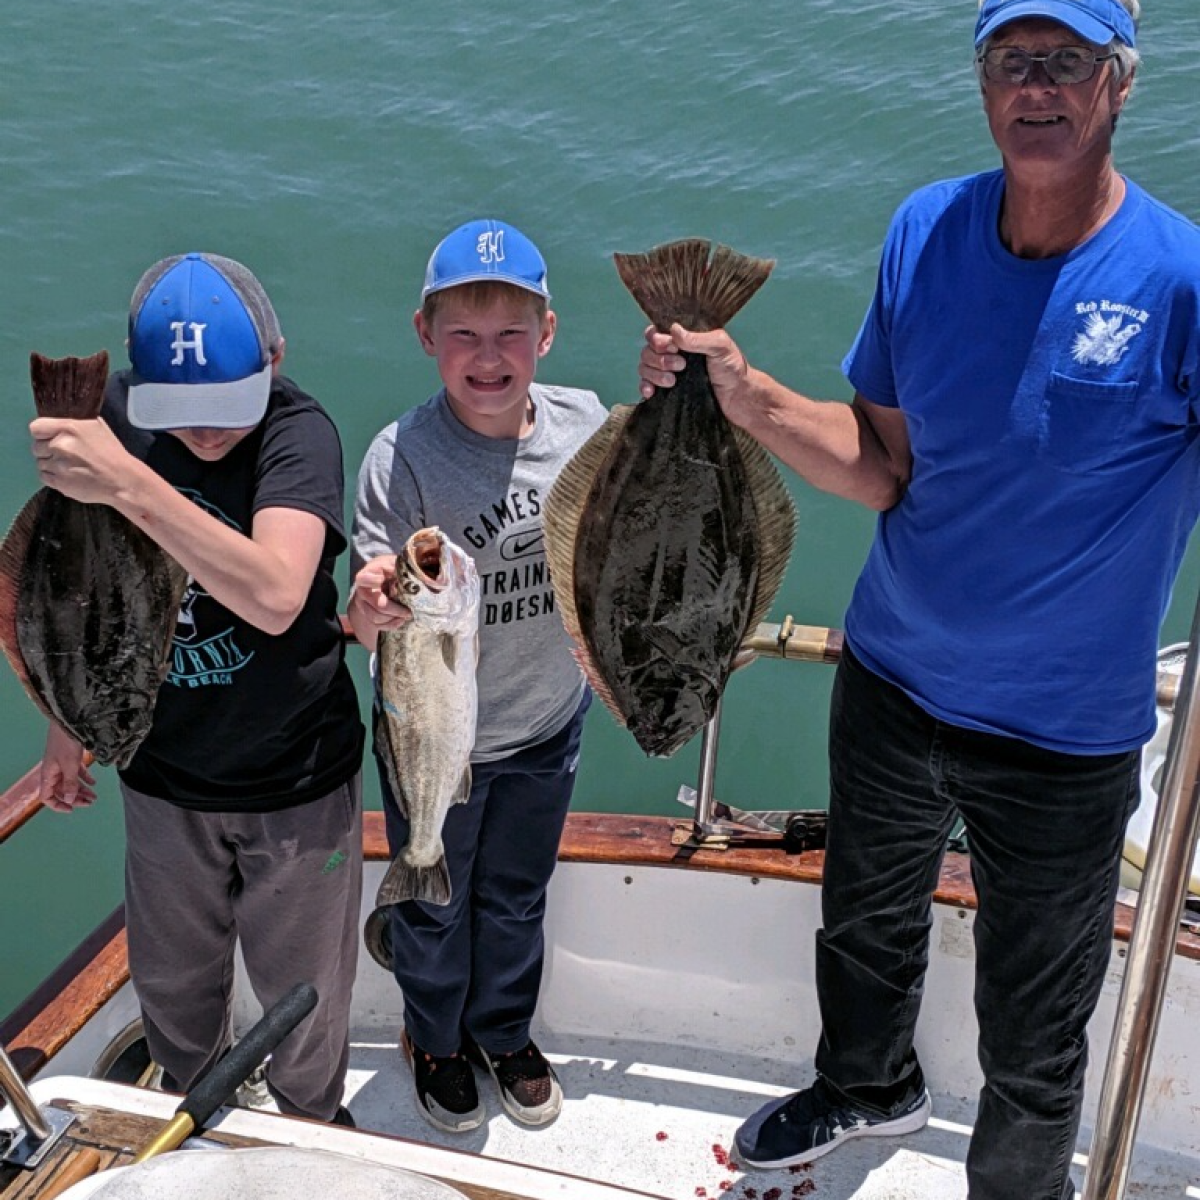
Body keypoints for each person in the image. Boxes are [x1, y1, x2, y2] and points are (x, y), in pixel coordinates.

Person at [638, 1, 1200, 1196]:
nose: (1037, 87)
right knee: (861, 931)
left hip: (1062, 739)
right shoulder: (924, 233)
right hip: (891, 681)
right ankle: (865, 1088)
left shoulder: (1181, 280)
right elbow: (883, 465)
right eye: (1012, 61)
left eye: (1068, 62)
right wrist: (744, 395)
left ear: (1120, 83)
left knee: (1036, 1038)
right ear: (983, 79)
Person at [32, 252, 365, 1127]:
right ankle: (190, 1111)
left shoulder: (299, 433)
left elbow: (274, 593)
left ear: (275, 362)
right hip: (160, 774)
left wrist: (129, 482)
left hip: (295, 779)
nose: (208, 434)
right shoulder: (114, 424)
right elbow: (67, 589)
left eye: (228, 407)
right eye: (184, 415)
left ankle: (311, 1125)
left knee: (304, 997)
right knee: (173, 984)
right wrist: (64, 721)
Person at [349, 218, 606, 1133]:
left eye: (509, 334)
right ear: (426, 335)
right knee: (431, 900)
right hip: (428, 733)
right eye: (463, 334)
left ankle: (501, 1031)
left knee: (515, 894)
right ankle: (436, 1037)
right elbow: (366, 604)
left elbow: (618, 541)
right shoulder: (402, 457)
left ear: (547, 334)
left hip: (546, 721)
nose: (487, 358)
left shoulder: (587, 426)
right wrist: (374, 603)